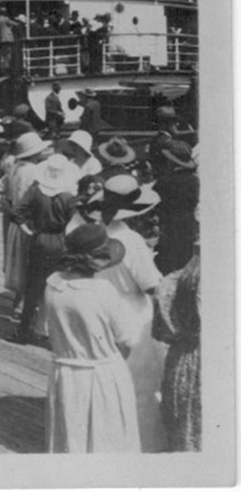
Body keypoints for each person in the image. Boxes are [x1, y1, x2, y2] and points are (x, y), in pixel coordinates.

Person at [84, 174, 167, 453]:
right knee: (140, 391)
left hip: (98, 313)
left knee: (105, 386)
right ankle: (141, 447)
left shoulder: (93, 233)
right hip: (132, 315)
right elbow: (151, 284)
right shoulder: (130, 240)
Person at [45, 222, 140, 453]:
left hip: (65, 373)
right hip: (101, 374)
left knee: (71, 436)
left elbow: (48, 330)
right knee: (106, 438)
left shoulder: (52, 283)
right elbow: (126, 340)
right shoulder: (102, 290)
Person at [9, 153, 78, 344]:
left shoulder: (36, 191)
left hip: (39, 239)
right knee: (59, 286)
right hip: (61, 240)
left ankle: (23, 332)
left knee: (33, 287)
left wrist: (27, 229)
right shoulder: (69, 196)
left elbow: (16, 212)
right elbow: (76, 223)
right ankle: (52, 332)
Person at [152, 236, 201, 451]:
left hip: (181, 360)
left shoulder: (172, 281)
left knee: (182, 431)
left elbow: (160, 332)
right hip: (206, 361)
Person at [0, 132, 51, 313]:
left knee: (18, 260)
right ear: (35, 153)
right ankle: (26, 304)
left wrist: (8, 208)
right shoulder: (37, 171)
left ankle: (19, 299)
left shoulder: (14, 168)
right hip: (31, 221)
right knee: (31, 261)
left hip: (15, 222)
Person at [153, 140, 199, 275]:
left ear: (171, 162)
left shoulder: (165, 181)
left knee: (167, 261)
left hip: (168, 225)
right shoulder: (194, 180)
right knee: (184, 259)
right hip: (189, 224)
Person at [0, 7, 18, 74]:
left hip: (0, 40)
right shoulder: (6, 19)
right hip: (7, 39)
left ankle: (2, 69)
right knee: (8, 54)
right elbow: (16, 24)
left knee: (2, 55)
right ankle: (7, 69)